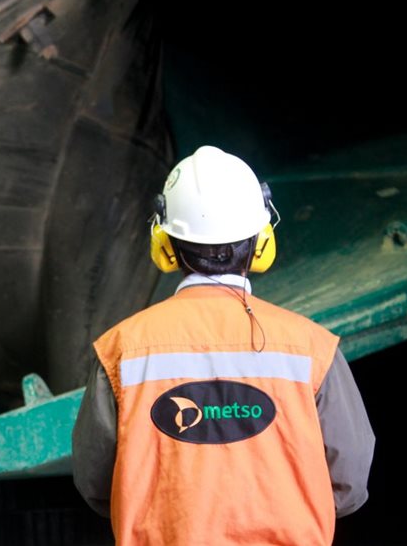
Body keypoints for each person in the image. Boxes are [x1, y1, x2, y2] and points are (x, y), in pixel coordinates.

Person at [72, 146, 375, 545]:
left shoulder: (122, 350)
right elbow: (348, 483)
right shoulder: (311, 348)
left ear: (164, 244)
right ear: (262, 241)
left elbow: (95, 482)